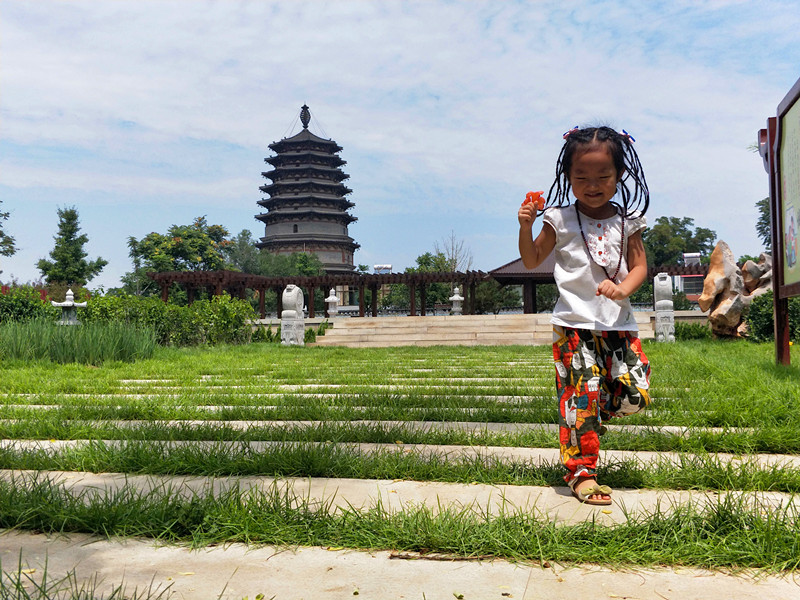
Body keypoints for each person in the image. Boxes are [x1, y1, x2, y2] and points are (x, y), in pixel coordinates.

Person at [517, 125, 651, 506]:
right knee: (580, 397)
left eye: (603, 176)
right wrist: (526, 227)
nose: (593, 184)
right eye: (582, 177)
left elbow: (640, 266)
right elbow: (530, 259)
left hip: (619, 325)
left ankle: (592, 413)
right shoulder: (558, 219)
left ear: (620, 175)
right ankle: (582, 472)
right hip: (573, 324)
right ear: (568, 177)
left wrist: (623, 289)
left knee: (635, 396)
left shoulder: (629, 220)